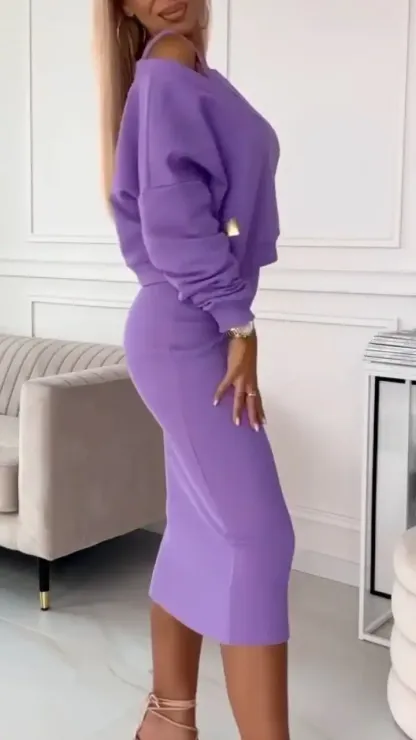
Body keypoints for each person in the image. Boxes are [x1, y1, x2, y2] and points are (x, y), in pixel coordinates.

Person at [94, 1, 295, 738]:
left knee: (199, 530)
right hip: (189, 327)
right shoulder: (170, 64)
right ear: (124, 7)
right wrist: (237, 322)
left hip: (185, 324)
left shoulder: (186, 71)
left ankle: (168, 720)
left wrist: (231, 318)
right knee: (259, 539)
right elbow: (174, 218)